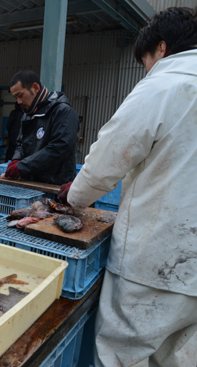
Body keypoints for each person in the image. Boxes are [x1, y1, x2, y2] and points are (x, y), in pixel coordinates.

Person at [59, 7, 197, 367]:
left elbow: (107, 159)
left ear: (162, 49)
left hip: (154, 262)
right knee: (180, 359)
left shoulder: (165, 85)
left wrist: (74, 197)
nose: (147, 69)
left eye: (146, 60)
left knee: (122, 355)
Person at [2, 70, 79, 185]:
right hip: (31, 183)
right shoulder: (27, 115)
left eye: (20, 95)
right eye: (15, 98)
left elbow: (58, 149)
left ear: (35, 88)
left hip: (55, 186)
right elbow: (20, 143)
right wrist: (16, 159)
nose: (18, 102)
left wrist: (21, 167)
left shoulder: (63, 112)